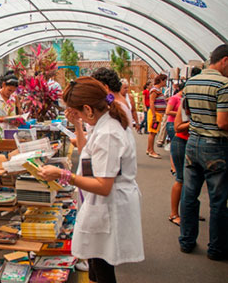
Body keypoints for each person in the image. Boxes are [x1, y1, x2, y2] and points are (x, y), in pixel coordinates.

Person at [38, 77, 144, 282]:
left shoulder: (109, 134)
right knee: (97, 263)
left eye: (77, 112)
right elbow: (85, 150)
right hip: (100, 203)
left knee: (103, 267)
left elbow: (104, 186)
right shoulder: (103, 123)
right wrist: (77, 123)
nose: (77, 116)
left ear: (88, 109)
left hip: (108, 204)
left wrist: (63, 175)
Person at [179, 44, 228, 261]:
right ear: (225, 61)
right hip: (216, 145)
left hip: (193, 142)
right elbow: (223, 122)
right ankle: (216, 248)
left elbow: (187, 112)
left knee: (190, 194)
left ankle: (187, 241)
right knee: (218, 200)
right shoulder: (224, 85)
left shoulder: (191, 82)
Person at [169, 97, 189, 227]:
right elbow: (177, 127)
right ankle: (174, 214)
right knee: (181, 178)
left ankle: (189, 211)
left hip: (189, 143)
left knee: (192, 181)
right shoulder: (185, 101)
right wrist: (196, 122)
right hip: (181, 141)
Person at [164, 82, 185, 175]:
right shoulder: (175, 98)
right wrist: (181, 114)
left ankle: (177, 167)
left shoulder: (184, 99)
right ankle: (174, 168)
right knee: (175, 145)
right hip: (172, 124)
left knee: (178, 145)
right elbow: (168, 111)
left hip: (181, 124)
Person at [146, 74, 167, 158]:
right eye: (165, 80)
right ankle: (151, 150)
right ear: (161, 80)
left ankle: (149, 149)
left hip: (158, 114)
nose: (165, 82)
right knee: (153, 132)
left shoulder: (158, 90)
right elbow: (151, 102)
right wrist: (154, 115)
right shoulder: (154, 90)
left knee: (153, 132)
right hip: (155, 114)